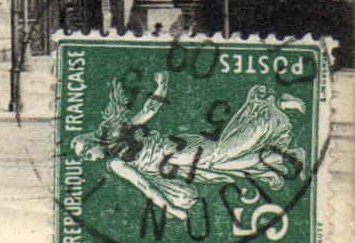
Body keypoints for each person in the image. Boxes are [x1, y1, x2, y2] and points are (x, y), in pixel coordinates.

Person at [71, 72, 306, 222]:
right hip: (179, 163)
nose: (88, 158)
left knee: (225, 154)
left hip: (178, 153)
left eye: (85, 153)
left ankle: (275, 107)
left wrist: (162, 86)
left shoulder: (115, 153)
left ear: (90, 142)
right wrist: (172, 209)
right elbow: (147, 186)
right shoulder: (114, 154)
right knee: (229, 165)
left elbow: (147, 113)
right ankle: (288, 158)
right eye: (84, 158)